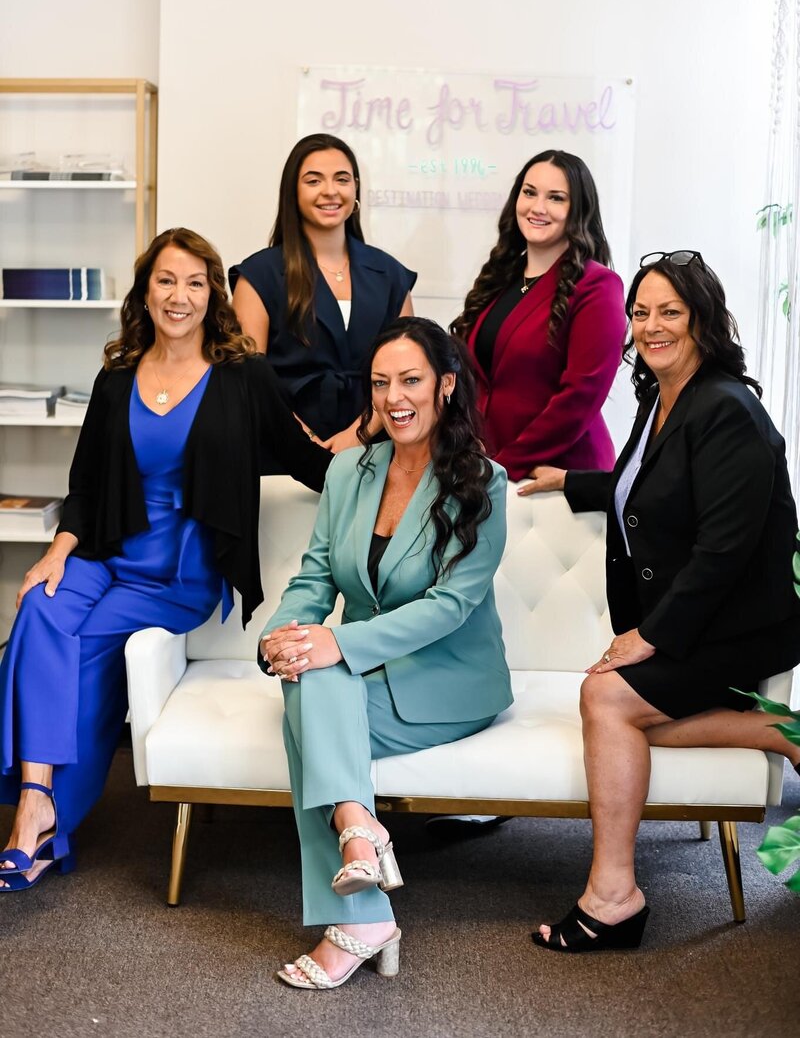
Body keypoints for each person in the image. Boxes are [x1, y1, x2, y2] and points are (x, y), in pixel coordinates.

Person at [0, 228, 331, 893]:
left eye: (195, 283)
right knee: (39, 607)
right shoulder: (117, 376)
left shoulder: (243, 376)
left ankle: (46, 823)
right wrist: (56, 552)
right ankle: (36, 804)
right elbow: (86, 483)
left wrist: (395, 477)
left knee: (76, 649)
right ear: (145, 292)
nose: (180, 296)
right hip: (105, 550)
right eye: (166, 281)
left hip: (177, 572)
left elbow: (307, 461)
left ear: (212, 295)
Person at [520, 250, 800, 952]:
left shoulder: (727, 408)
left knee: (606, 699)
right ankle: (778, 732)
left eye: (669, 311)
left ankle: (613, 897)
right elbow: (643, 483)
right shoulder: (661, 397)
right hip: (702, 623)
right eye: (640, 313)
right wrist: (572, 482)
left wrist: (651, 636)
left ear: (702, 319)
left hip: (738, 628)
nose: (651, 326)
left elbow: (725, 548)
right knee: (612, 709)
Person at [259, 317, 512, 989]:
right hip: (362, 668)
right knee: (309, 676)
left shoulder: (483, 480)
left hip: (447, 678)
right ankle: (359, 841)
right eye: (379, 383)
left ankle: (360, 892)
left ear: (445, 385)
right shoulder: (349, 469)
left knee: (312, 696)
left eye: (410, 380)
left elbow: (450, 606)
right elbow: (316, 576)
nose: (393, 398)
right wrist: (283, 635)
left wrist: (335, 642)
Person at [230, 134, 416, 456]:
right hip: (283, 454)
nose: (330, 191)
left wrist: (359, 433)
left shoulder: (390, 274)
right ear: (293, 192)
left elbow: (409, 371)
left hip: (378, 448)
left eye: (342, 179)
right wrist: (305, 442)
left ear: (355, 189)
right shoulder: (259, 275)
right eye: (314, 180)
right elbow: (249, 381)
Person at [451, 150, 626, 482]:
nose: (538, 207)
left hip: (558, 476)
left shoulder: (598, 286)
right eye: (529, 192)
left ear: (578, 209)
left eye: (556, 198)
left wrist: (504, 465)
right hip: (492, 470)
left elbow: (580, 396)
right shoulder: (500, 278)